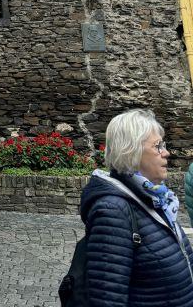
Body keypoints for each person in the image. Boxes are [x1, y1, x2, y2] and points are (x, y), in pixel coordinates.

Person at [79, 108, 193, 306]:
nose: (167, 153)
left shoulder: (156, 198)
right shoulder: (113, 211)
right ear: (132, 150)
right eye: (158, 146)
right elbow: (108, 298)